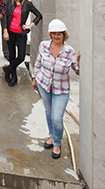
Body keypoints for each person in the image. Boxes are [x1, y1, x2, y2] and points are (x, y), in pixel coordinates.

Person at [32, 19, 80, 160]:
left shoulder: (69, 51)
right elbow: (38, 62)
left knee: (57, 118)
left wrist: (78, 62)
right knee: (48, 111)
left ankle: (57, 143)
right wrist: (35, 78)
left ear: (64, 35)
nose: (56, 37)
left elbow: (77, 71)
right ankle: (52, 136)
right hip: (44, 84)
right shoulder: (43, 46)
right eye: (54, 34)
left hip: (61, 89)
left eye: (59, 34)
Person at [2, 0, 42, 87]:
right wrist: (5, 31)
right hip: (10, 32)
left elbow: (38, 15)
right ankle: (13, 77)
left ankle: (8, 70)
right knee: (12, 55)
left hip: (21, 34)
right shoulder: (10, 2)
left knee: (21, 57)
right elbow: (5, 17)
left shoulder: (27, 4)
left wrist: (29, 25)